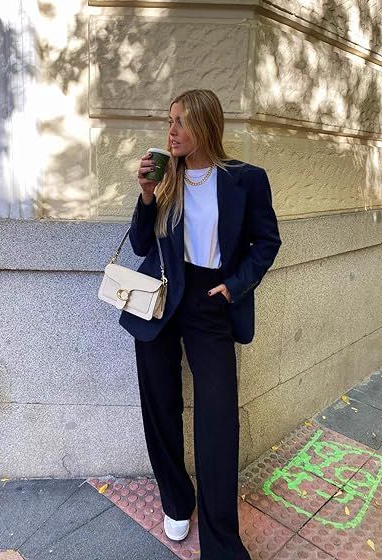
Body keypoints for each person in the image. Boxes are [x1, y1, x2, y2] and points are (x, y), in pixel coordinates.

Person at [119, 89, 282, 560]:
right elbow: (142, 246)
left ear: (205, 126)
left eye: (180, 122)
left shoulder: (246, 179)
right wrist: (147, 195)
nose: (170, 131)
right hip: (162, 299)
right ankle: (176, 500)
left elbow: (266, 241)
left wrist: (235, 285)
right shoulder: (166, 175)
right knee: (160, 404)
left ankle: (221, 542)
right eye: (169, 121)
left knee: (217, 419)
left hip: (211, 303)